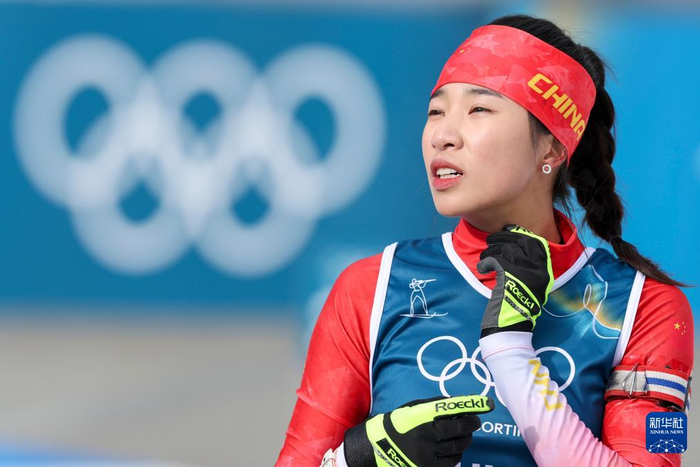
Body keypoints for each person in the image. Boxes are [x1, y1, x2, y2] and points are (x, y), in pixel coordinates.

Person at [277, 13, 694, 467]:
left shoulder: (647, 308)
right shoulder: (370, 287)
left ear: (553, 146)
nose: (442, 136)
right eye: (436, 112)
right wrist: (355, 460)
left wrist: (509, 349)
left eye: (478, 109)